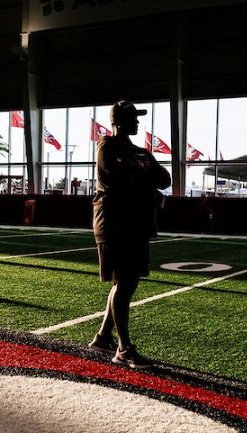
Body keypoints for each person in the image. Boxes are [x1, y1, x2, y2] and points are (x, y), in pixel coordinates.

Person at [88, 100, 171, 369]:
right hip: (114, 223)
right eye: (133, 118)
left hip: (135, 224)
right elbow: (118, 179)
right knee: (124, 283)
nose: (137, 122)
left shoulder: (141, 152)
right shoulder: (107, 146)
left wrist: (142, 174)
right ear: (119, 121)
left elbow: (164, 179)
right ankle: (124, 349)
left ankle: (102, 338)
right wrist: (145, 180)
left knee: (127, 282)